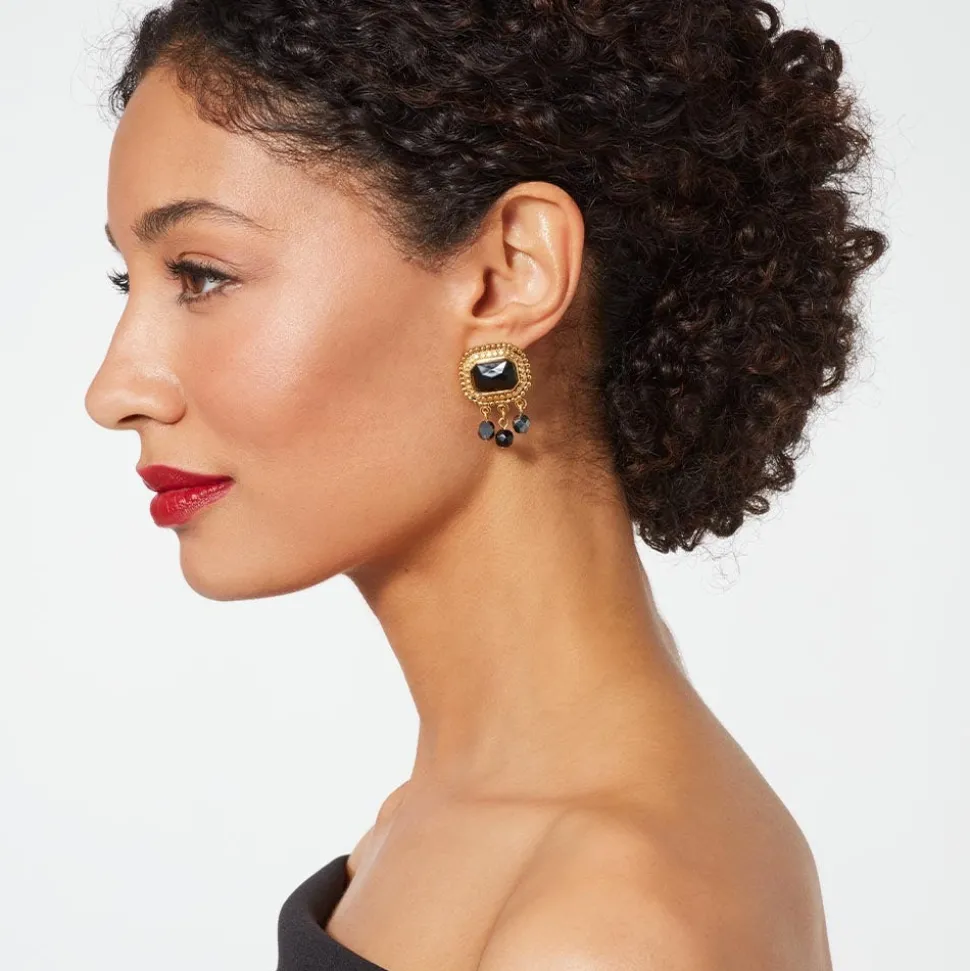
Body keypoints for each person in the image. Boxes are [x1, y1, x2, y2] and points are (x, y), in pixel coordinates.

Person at [84, 1, 888, 969]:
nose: (114, 389)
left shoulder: (611, 924)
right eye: (128, 282)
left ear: (510, 275)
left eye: (201, 274)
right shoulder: (442, 815)